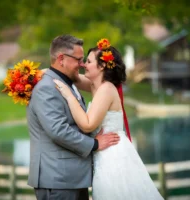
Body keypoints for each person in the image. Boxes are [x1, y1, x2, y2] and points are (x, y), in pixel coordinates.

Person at [53, 38, 164, 200]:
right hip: (105, 156)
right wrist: (38, 74)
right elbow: (71, 78)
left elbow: (87, 125)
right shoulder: (96, 86)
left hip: (113, 158)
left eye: (88, 61)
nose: (83, 64)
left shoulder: (106, 89)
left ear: (102, 65)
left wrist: (68, 95)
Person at [27, 35, 120, 200]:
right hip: (57, 180)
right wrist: (95, 144)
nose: (82, 64)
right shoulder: (47, 88)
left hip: (73, 179)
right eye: (79, 59)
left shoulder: (69, 83)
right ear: (61, 59)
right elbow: (58, 131)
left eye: (84, 60)